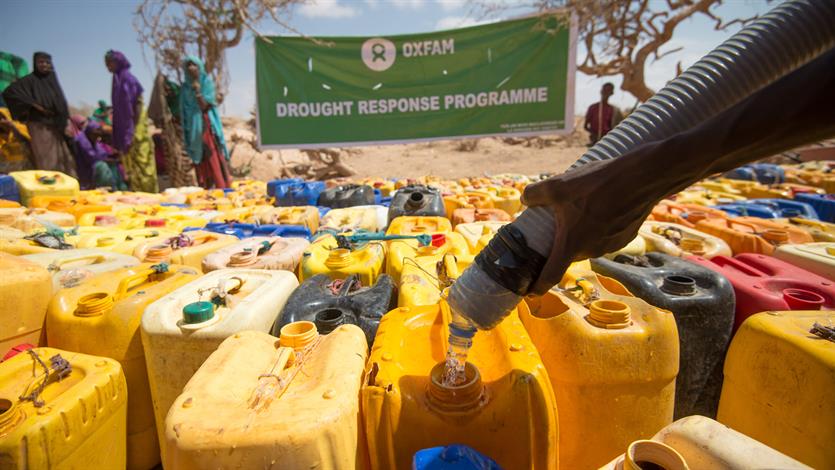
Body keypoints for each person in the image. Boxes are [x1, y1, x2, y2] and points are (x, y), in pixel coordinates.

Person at [521, 47, 835, 295]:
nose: (604, 94)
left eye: (606, 90)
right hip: (611, 153)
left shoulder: (616, 112)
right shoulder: (593, 111)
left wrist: (645, 176)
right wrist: (649, 173)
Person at [1, 52, 76, 175]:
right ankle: (51, 189)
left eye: (47, 62)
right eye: (41, 62)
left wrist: (65, 122)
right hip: (40, 125)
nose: (44, 65)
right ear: (35, 64)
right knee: (48, 160)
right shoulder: (30, 80)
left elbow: (61, 103)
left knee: (65, 160)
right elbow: (10, 92)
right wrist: (35, 105)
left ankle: (65, 188)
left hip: (57, 125)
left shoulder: (52, 80)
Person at [105, 50, 157, 193]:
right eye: (106, 64)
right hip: (127, 127)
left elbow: (136, 105)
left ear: (119, 61)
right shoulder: (116, 81)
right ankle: (138, 194)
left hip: (136, 125)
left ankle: (150, 195)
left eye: (111, 62)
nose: (108, 66)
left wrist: (132, 129)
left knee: (142, 160)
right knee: (131, 164)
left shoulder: (128, 79)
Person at [179, 56, 231, 189]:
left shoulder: (206, 83)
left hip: (206, 126)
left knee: (211, 156)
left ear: (199, 67)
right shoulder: (185, 88)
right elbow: (183, 111)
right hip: (193, 128)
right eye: (188, 65)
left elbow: (205, 106)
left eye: (194, 65)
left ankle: (220, 187)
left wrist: (197, 91)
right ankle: (206, 188)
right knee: (200, 159)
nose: (191, 68)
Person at [70, 116, 126, 190]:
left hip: (93, 167)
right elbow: (92, 157)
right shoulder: (81, 140)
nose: (98, 135)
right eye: (96, 131)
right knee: (102, 167)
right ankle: (107, 188)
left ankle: (115, 189)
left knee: (114, 166)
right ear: (90, 131)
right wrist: (108, 159)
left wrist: (112, 156)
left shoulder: (94, 141)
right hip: (84, 169)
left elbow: (102, 154)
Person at [0, 107, 33, 173]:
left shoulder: (19, 127)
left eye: (2, 118)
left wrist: (12, 127)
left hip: (24, 167)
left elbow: (24, 139)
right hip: (6, 170)